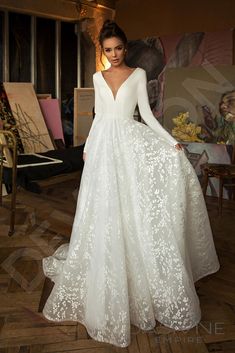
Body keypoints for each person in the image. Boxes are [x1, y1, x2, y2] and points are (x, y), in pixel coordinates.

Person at [42, 20, 220, 348]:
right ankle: (106, 269)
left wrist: (170, 143)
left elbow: (147, 116)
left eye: (118, 48)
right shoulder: (97, 77)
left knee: (132, 206)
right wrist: (89, 149)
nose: (113, 55)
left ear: (125, 47)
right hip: (103, 148)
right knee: (103, 209)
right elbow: (98, 116)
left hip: (129, 143)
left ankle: (137, 274)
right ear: (103, 51)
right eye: (108, 50)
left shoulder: (138, 75)